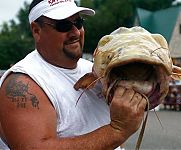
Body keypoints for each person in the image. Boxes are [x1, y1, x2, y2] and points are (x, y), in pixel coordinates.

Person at [0, 0, 147, 149]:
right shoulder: (24, 83)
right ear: (36, 31)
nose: (76, 32)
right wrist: (117, 131)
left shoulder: (94, 70)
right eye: (63, 25)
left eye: (78, 22)